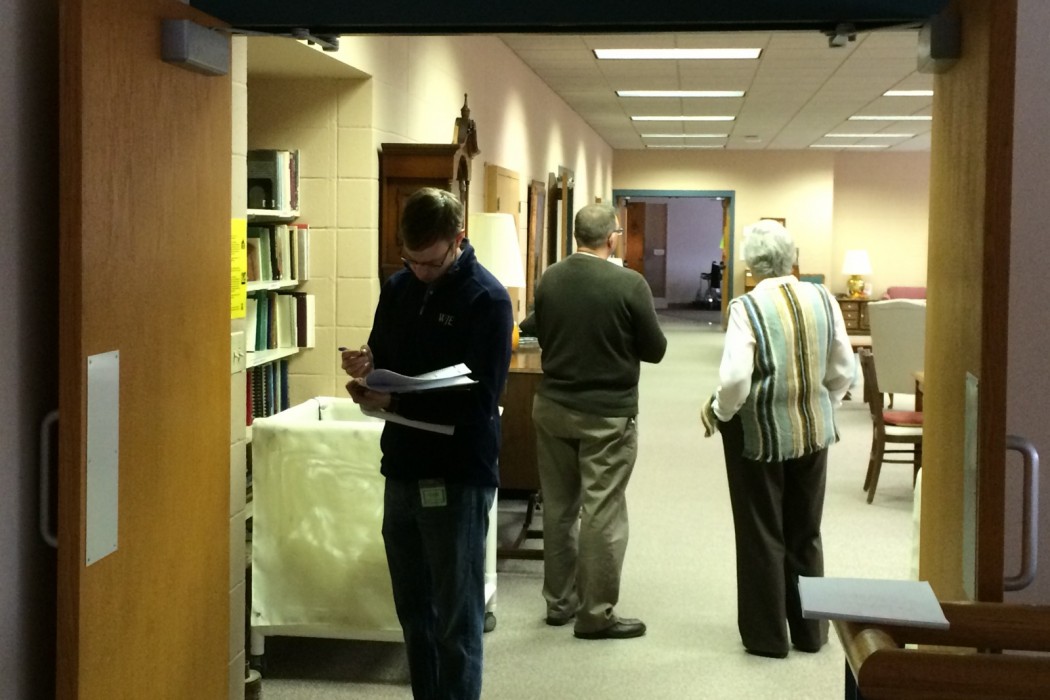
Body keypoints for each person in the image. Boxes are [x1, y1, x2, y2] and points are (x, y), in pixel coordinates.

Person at [341, 187, 513, 699]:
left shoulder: (487, 299)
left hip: (458, 473)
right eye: (411, 260)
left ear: (459, 240)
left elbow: (480, 401)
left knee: (456, 619)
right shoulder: (399, 288)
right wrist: (367, 366)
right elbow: (386, 355)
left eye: (432, 262)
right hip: (402, 465)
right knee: (414, 613)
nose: (420, 272)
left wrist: (396, 402)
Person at [700, 219, 854, 659]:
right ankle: (810, 632)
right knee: (806, 530)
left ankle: (767, 637)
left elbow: (735, 379)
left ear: (752, 266)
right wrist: (824, 404)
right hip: (814, 430)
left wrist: (719, 411)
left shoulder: (747, 307)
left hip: (760, 435)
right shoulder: (823, 298)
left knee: (762, 531)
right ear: (794, 260)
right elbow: (843, 368)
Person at [530, 203, 667, 640]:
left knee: (559, 509)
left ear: (576, 236)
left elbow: (535, 327)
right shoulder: (629, 284)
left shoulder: (550, 278)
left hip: (553, 408)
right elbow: (656, 349)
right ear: (612, 238)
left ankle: (559, 604)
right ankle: (596, 614)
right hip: (607, 416)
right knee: (602, 512)